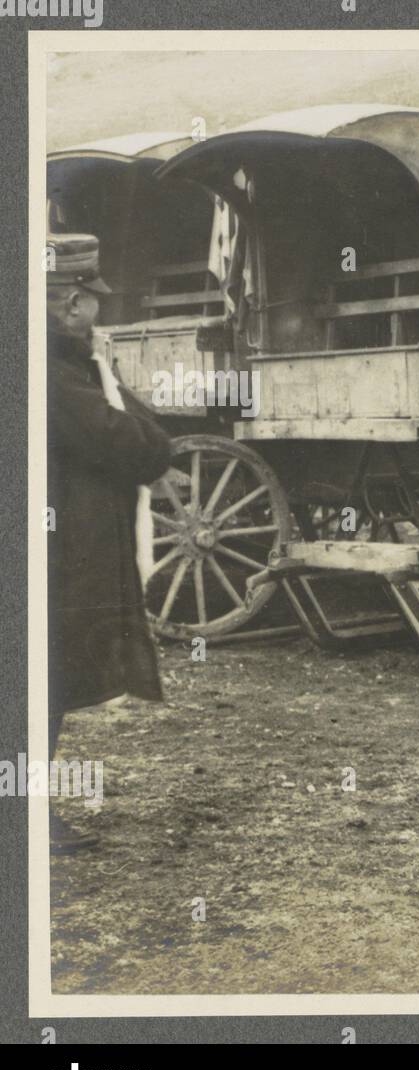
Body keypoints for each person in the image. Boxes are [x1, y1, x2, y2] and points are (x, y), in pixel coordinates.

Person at [46, 233, 173, 851]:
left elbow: (142, 435)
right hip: (53, 559)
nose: (100, 310)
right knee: (37, 683)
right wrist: (107, 377)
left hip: (53, 555)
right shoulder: (54, 373)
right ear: (71, 304)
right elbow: (138, 444)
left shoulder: (64, 365)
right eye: (93, 299)